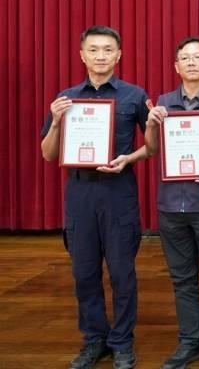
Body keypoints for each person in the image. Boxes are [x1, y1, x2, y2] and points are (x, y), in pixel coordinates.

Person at [40, 25, 150, 369]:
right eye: (94, 50)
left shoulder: (134, 95)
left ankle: (121, 341)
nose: (100, 56)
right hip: (80, 195)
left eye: (107, 50)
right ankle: (94, 339)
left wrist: (129, 158)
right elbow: (47, 153)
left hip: (119, 194)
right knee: (84, 272)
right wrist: (57, 123)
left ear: (119, 55)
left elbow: (154, 146)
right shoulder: (67, 98)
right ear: (82, 55)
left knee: (122, 273)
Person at [143, 36, 199, 369]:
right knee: (181, 278)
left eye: (198, 57)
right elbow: (152, 149)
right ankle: (189, 341)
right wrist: (151, 124)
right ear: (176, 66)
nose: (191, 62)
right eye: (185, 57)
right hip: (171, 206)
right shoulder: (163, 103)